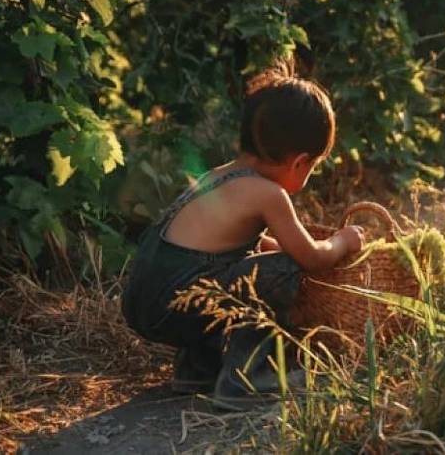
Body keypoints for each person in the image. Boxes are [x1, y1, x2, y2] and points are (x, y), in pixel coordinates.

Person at [121, 70, 366, 410]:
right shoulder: (268, 194)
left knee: (238, 270)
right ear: (299, 162)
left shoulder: (217, 176)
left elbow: (230, 249)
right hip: (174, 302)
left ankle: (198, 369)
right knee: (282, 270)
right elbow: (310, 258)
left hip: (143, 300)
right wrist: (342, 241)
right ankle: (247, 379)